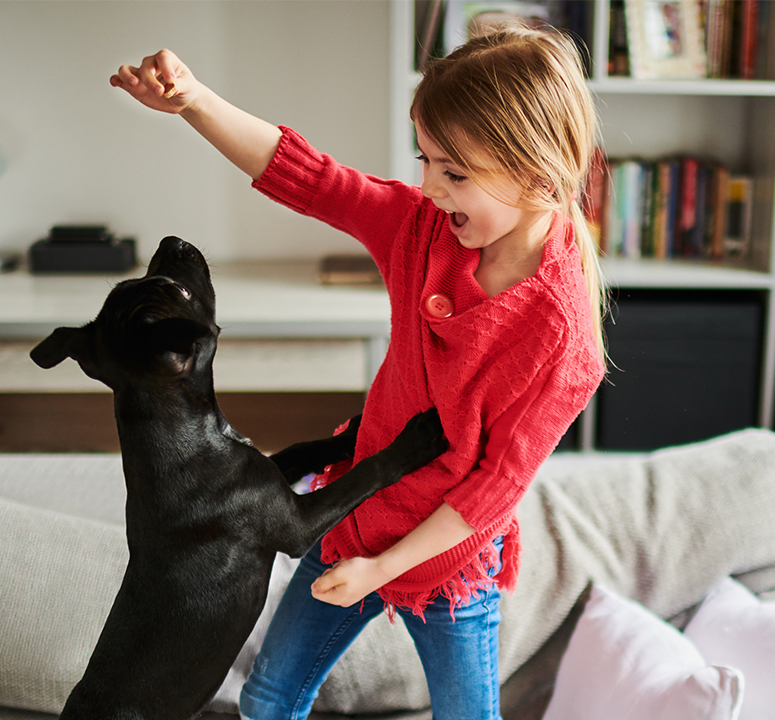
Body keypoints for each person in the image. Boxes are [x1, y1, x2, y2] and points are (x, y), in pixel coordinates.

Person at [112, 25, 606, 720]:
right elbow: (315, 180)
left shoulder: (561, 335)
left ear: (536, 173)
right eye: (426, 161)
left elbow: (494, 489)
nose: (429, 187)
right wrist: (194, 101)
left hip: (447, 563)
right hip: (356, 512)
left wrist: (382, 571)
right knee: (268, 699)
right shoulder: (424, 230)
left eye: (454, 172)